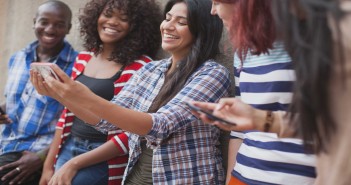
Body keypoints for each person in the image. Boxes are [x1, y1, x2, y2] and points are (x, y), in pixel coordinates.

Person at [31, 0, 231, 184]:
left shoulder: (212, 74)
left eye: (181, 22)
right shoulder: (151, 70)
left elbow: (160, 125)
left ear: (201, 29)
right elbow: (107, 122)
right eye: (168, 18)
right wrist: (61, 95)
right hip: (136, 177)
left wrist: (80, 94)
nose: (168, 26)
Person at [193, 0, 316, 184]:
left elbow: (335, 125)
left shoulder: (317, 42)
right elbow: (241, 131)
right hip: (243, 175)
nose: (212, 11)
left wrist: (261, 119)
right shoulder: (243, 51)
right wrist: (230, 179)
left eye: (217, 2)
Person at [39, 0, 162, 185]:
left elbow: (131, 133)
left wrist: (75, 164)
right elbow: (67, 113)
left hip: (104, 156)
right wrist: (48, 166)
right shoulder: (83, 57)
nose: (112, 22)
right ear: (96, 17)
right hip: (69, 144)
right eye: (108, 14)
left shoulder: (142, 67)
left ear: (136, 26)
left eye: (123, 18)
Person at [0, 1, 77, 185]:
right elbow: (16, 101)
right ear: (34, 22)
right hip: (5, 143)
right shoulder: (18, 57)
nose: (50, 29)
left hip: (34, 153)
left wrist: (41, 157)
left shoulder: (76, 66)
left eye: (59, 24)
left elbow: (75, 121)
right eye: (44, 22)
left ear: (69, 28)